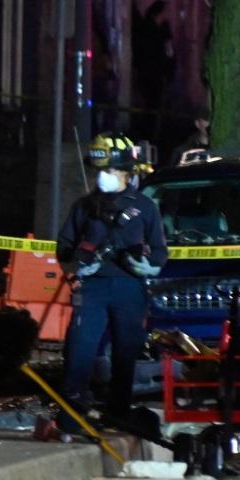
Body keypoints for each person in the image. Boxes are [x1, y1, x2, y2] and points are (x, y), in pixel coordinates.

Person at [47, 132, 168, 435]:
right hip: (93, 289)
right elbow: (63, 246)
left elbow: (160, 249)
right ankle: (72, 415)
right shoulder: (85, 207)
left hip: (130, 288)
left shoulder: (144, 207)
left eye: (110, 171)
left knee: (126, 353)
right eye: (100, 171)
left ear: (126, 172)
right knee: (80, 350)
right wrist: (77, 266)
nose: (104, 177)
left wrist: (149, 266)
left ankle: (118, 414)